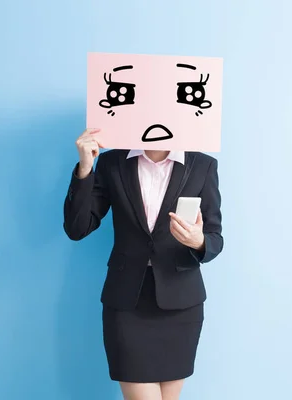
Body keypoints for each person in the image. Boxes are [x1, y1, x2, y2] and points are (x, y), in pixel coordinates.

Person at [63, 128, 223, 400]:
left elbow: (215, 239)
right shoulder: (113, 162)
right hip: (127, 302)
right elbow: (77, 228)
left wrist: (198, 240)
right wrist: (85, 168)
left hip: (180, 304)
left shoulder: (202, 164)